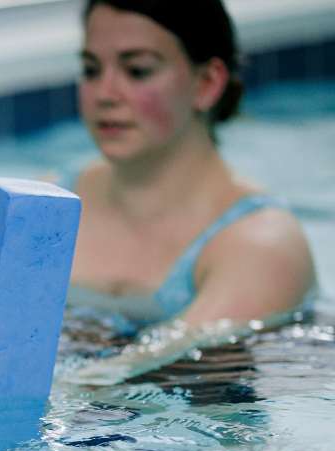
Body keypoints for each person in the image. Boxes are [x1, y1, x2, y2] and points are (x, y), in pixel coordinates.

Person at [65, 0, 317, 382]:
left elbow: (119, 378)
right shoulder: (52, 200)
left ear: (207, 84)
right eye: (91, 70)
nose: (105, 93)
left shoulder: (261, 245)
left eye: (137, 70)